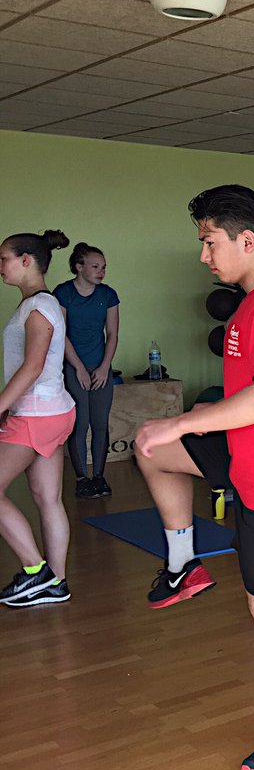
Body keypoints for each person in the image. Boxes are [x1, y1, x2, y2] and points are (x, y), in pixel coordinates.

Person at [134, 185, 254, 770]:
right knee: (153, 448)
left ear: (247, 241)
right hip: (247, 457)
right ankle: (183, 563)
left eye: (209, 242)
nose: (203, 256)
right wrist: (174, 430)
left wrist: (184, 418)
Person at [0, 230, 76, 608]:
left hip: (36, 414)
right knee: (48, 499)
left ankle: (36, 572)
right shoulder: (38, 304)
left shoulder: (39, 307)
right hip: (51, 411)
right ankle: (56, 583)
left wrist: (0, 407)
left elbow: (31, 368)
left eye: (4, 259)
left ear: (26, 260)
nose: (1, 266)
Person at [53, 242, 119, 499]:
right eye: (95, 266)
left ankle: (99, 477)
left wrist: (104, 368)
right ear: (78, 267)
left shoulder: (108, 295)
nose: (101, 271)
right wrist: (78, 367)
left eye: (103, 267)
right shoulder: (63, 293)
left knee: (100, 423)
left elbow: (112, 334)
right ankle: (82, 478)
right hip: (73, 366)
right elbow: (61, 334)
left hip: (100, 367)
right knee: (80, 423)